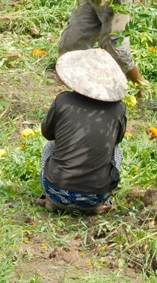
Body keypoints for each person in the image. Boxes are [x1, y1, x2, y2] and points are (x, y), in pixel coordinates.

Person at [36, 48, 128, 215]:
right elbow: (117, 140)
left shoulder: (63, 101)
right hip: (96, 196)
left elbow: (48, 134)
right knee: (117, 151)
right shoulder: (118, 108)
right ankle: (102, 203)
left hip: (58, 192)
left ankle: (51, 199)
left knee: (49, 147)